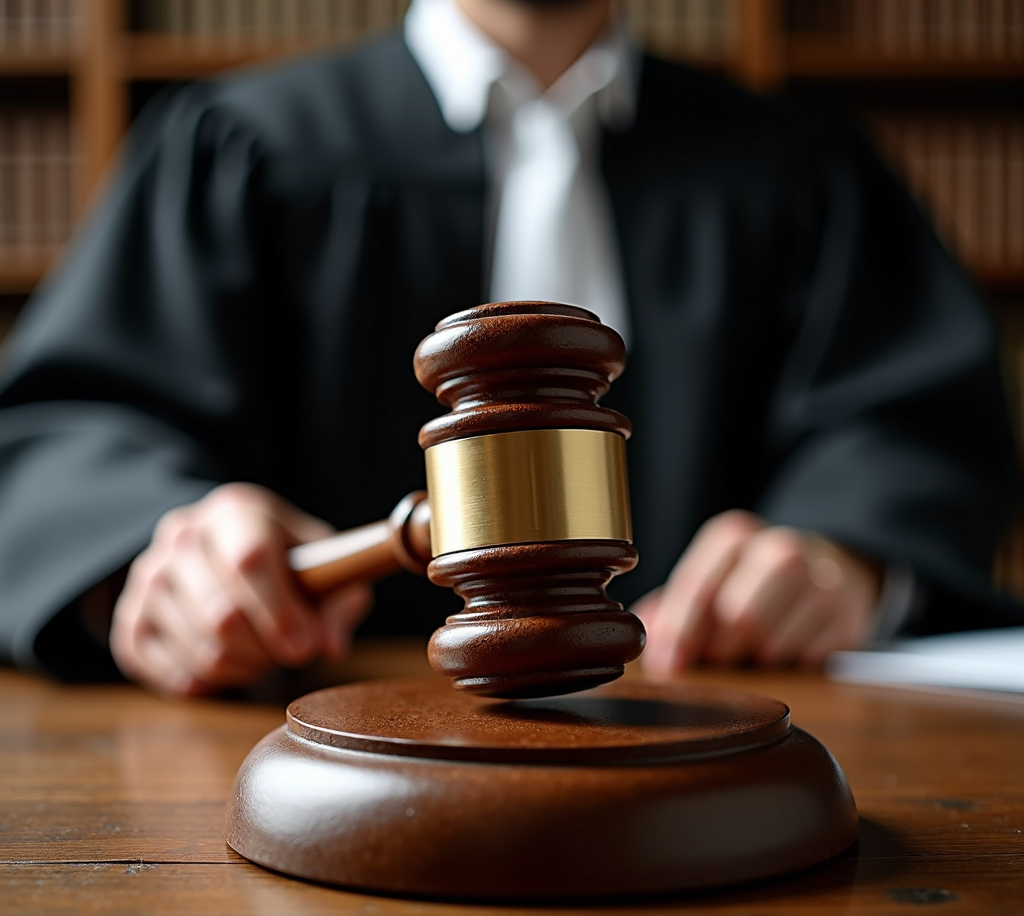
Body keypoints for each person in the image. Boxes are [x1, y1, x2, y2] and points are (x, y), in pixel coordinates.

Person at [0, 0, 1019, 697]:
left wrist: (845, 556)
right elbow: (74, 429)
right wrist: (152, 555)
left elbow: (906, 429)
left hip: (733, 773)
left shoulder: (807, 174)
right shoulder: (230, 147)